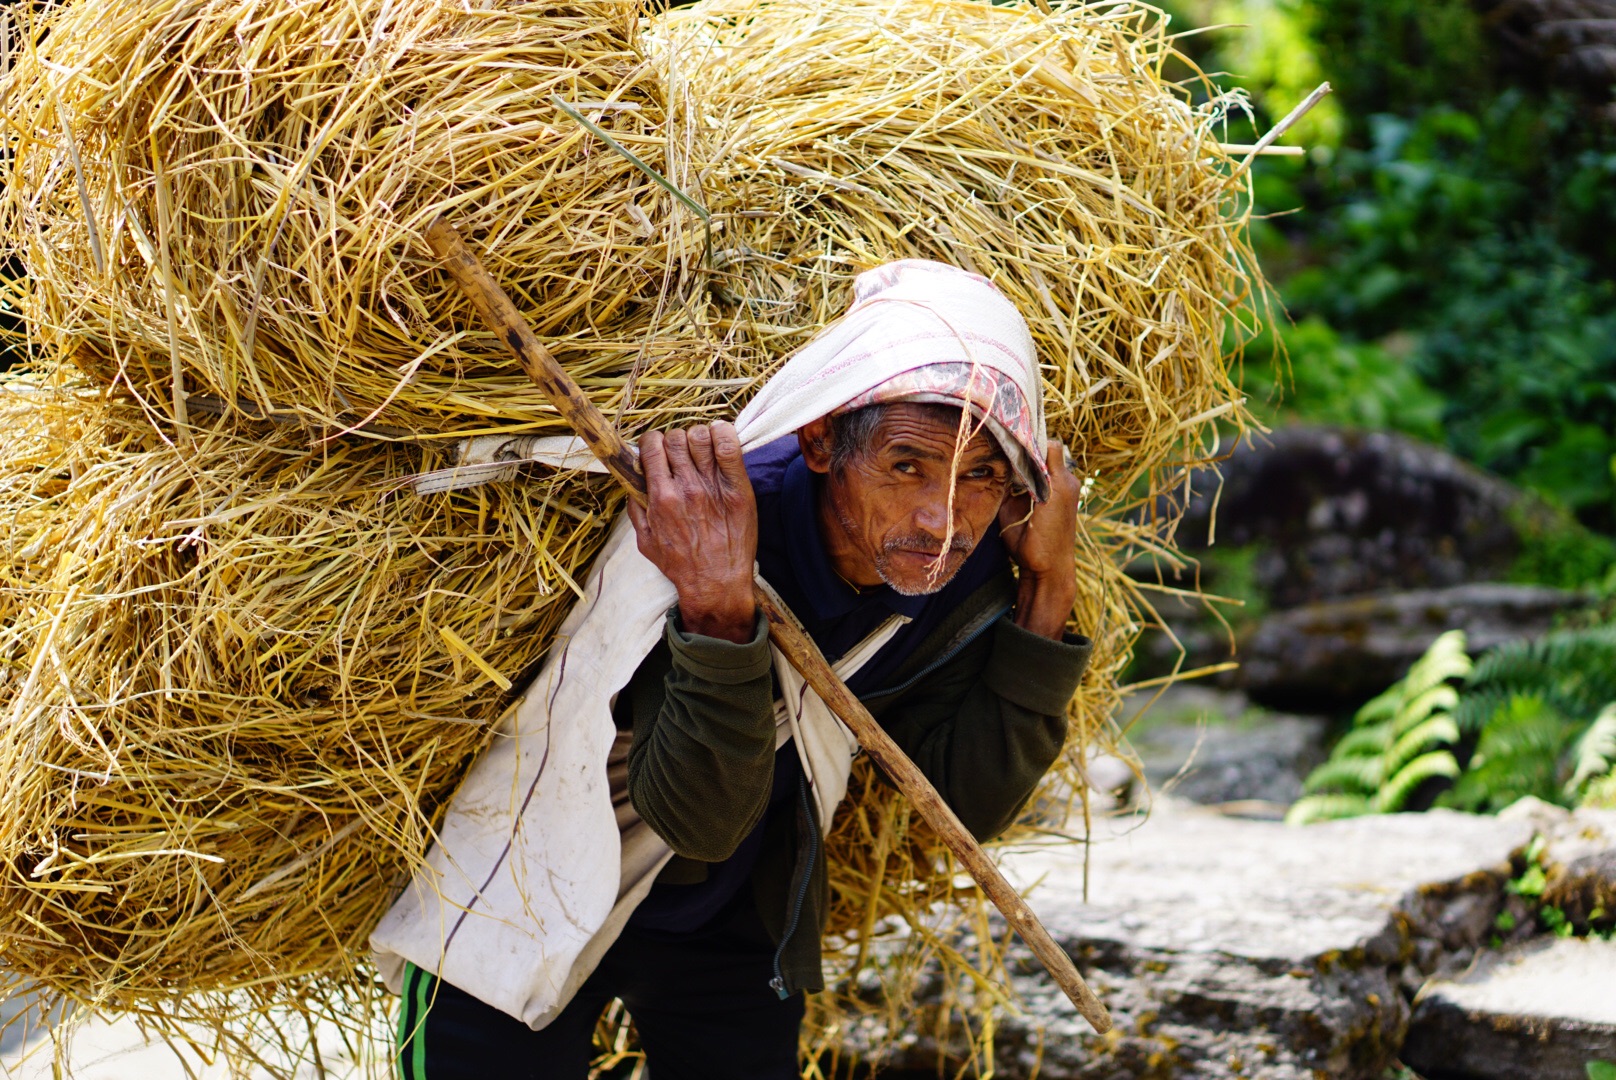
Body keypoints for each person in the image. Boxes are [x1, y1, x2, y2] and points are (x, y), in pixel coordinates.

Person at [375, 260, 1093, 1080]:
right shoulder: (700, 527)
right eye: (907, 466)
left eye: (982, 477)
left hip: (731, 922)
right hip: (532, 886)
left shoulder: (960, 576)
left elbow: (965, 804)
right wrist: (718, 610)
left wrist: (1048, 591)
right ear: (822, 440)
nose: (941, 520)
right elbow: (695, 817)